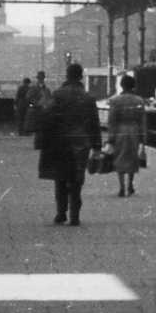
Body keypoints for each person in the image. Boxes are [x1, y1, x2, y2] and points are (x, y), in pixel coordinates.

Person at [38, 62, 101, 226]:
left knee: (60, 177)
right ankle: (75, 215)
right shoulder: (88, 98)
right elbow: (94, 124)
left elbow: (47, 117)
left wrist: (44, 140)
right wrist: (97, 147)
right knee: (77, 179)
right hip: (81, 142)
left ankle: (61, 213)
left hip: (60, 141)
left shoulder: (57, 95)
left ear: (67, 75)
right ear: (81, 76)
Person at [106, 74, 148, 198]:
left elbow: (112, 120)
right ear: (133, 86)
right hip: (134, 131)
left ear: (121, 85)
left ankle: (121, 187)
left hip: (120, 131)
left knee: (119, 157)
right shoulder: (139, 100)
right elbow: (142, 121)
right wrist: (143, 138)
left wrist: (110, 137)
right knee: (132, 157)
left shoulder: (115, 100)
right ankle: (130, 185)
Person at [20, 71, 53, 137]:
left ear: (44, 78)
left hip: (44, 110)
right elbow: (28, 97)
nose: (41, 79)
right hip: (37, 110)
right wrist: (37, 103)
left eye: (42, 78)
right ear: (38, 78)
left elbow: (49, 99)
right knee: (36, 128)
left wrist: (48, 104)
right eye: (40, 78)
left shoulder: (46, 89)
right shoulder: (34, 88)